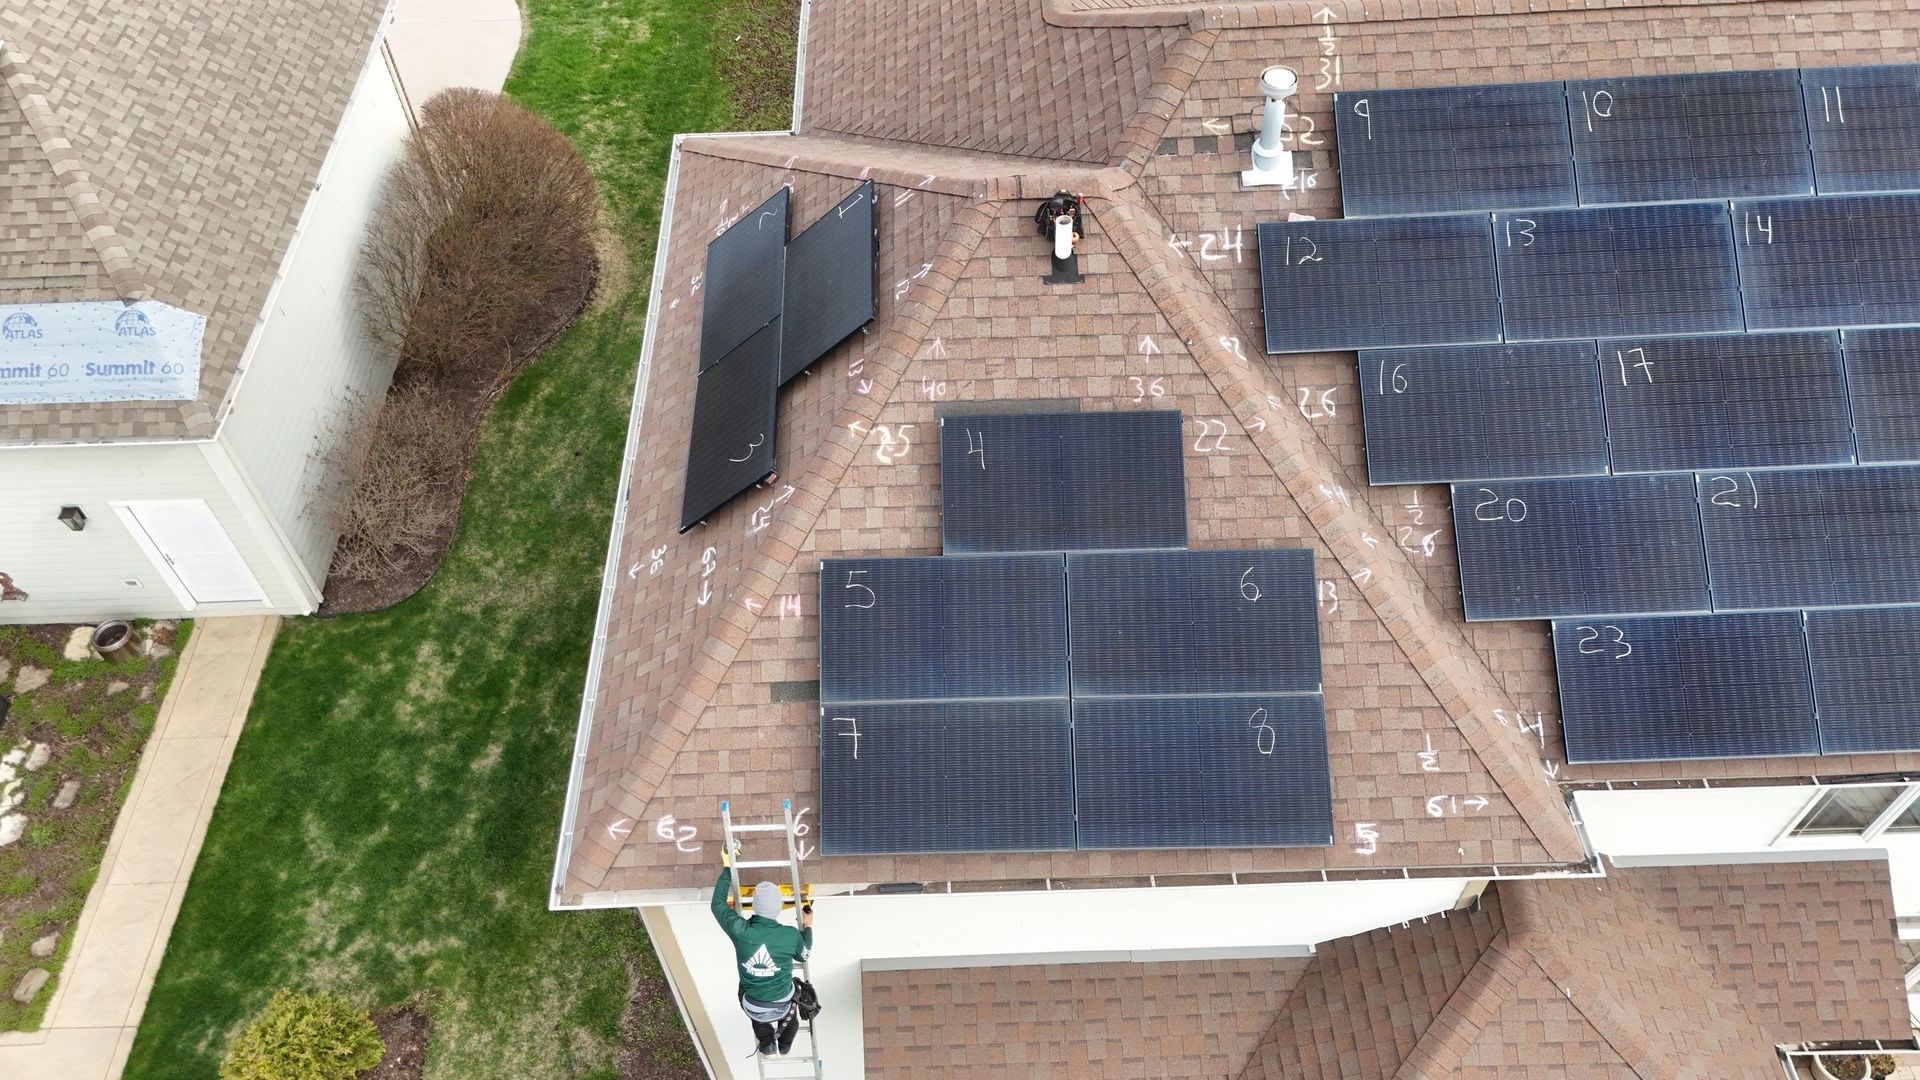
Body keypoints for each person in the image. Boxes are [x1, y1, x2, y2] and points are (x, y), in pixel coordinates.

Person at [713, 847, 813, 1056]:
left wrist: (728, 869)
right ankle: (784, 1046)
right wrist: (808, 927)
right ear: (778, 908)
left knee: (757, 1013)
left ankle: (766, 1041)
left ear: (755, 908)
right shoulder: (790, 935)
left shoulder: (739, 929)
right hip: (782, 1003)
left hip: (753, 1005)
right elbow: (804, 956)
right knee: (790, 1019)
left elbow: (716, 905)